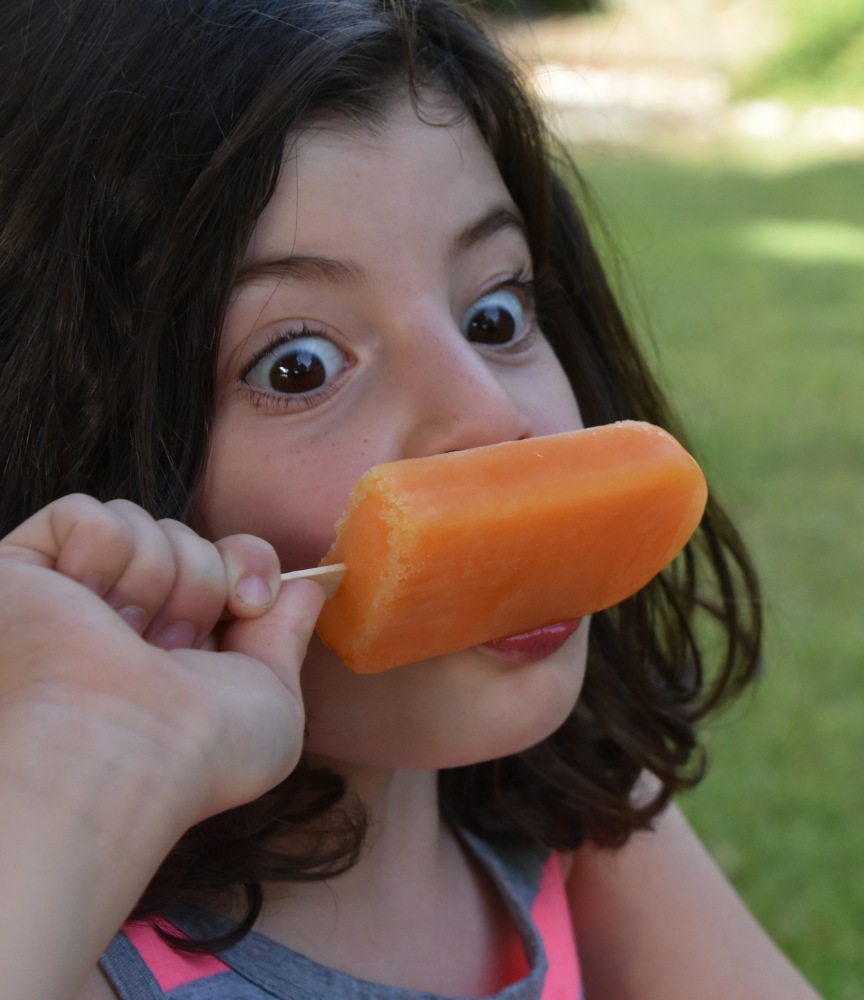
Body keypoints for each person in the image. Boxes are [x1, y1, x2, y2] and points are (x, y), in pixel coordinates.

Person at [0, 1, 822, 997]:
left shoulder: (572, 814)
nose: (487, 413)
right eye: (298, 365)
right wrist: (80, 767)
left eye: (495, 310)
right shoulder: (78, 945)